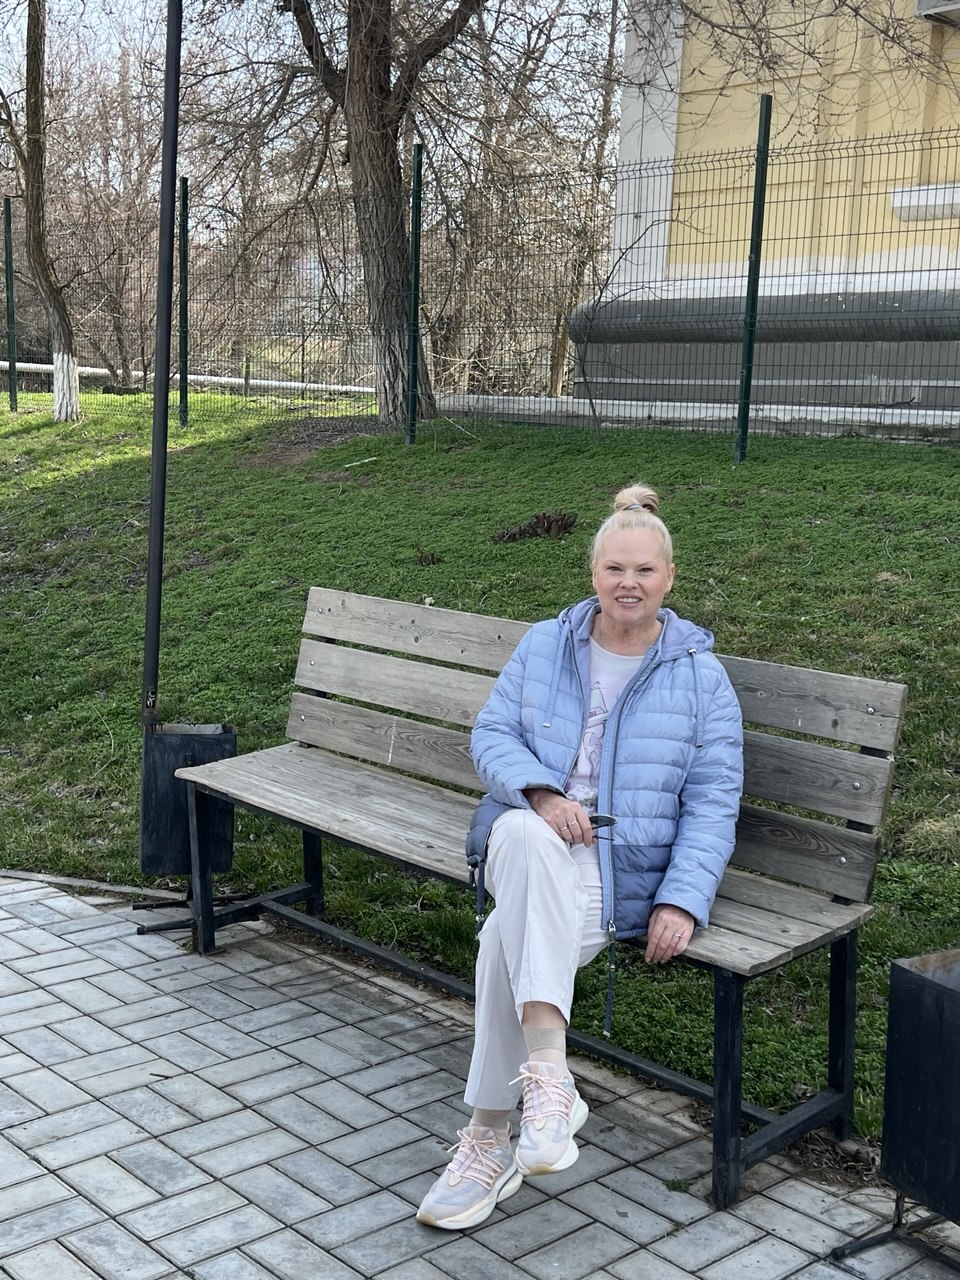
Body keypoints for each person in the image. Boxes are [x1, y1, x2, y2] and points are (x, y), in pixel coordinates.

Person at [416, 483, 744, 1231]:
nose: (629, 583)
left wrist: (681, 899)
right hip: (526, 834)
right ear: (593, 572)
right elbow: (492, 735)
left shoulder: (702, 678)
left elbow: (713, 802)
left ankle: (488, 1135)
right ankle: (550, 1079)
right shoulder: (546, 644)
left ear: (669, 578)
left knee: (502, 940)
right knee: (526, 838)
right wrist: (540, 794)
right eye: (614, 568)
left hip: (618, 869)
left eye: (644, 570)